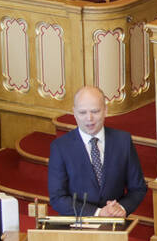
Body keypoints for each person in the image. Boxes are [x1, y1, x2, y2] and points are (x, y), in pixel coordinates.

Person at [48, 85, 148, 217]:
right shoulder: (60, 147)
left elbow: (138, 188)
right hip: (78, 226)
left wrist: (121, 208)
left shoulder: (123, 141)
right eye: (82, 112)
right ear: (74, 112)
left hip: (114, 224)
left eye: (95, 111)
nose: (89, 118)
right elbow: (57, 197)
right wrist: (98, 213)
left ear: (105, 110)